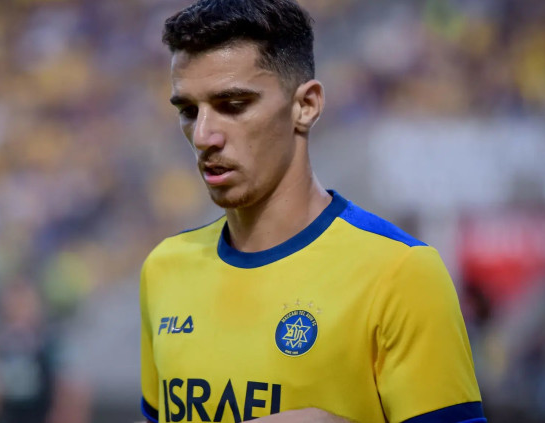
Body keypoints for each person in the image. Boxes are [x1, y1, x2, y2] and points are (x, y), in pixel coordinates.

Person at [139, 1, 485, 422]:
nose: (203, 135)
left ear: (306, 105)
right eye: (188, 111)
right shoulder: (164, 269)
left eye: (233, 104)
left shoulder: (401, 273)